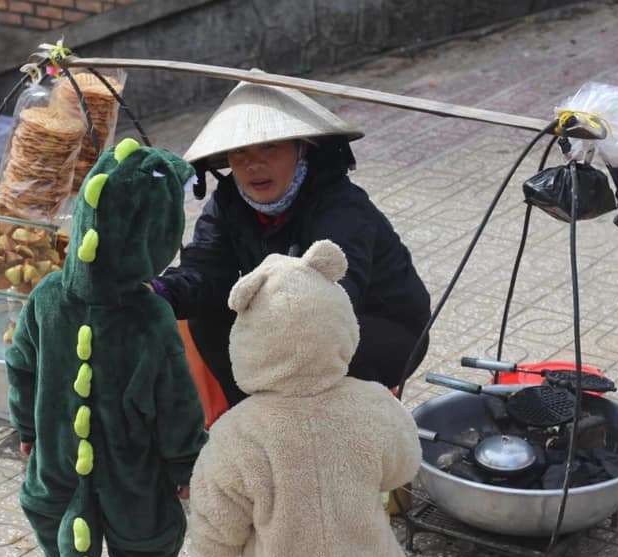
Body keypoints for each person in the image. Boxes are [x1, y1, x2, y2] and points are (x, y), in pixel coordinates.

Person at [5, 139, 207, 557]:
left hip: (56, 469)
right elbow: (175, 403)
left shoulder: (48, 296)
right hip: (134, 479)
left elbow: (20, 362)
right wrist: (185, 465)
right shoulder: (148, 316)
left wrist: (27, 427)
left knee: (60, 556)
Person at [188, 240, 422, 557]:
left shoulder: (237, 431)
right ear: (340, 323)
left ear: (248, 338)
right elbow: (403, 466)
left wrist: (217, 545)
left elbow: (217, 505)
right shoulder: (374, 404)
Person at [151, 81, 431, 407]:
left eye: (269, 147)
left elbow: (336, 298)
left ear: (302, 148)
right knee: (206, 316)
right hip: (282, 326)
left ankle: (320, 428)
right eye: (240, 151)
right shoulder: (227, 205)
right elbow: (205, 271)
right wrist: (159, 292)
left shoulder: (340, 205)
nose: (253, 164)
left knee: (313, 345)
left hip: (379, 327)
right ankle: (251, 418)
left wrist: (270, 328)